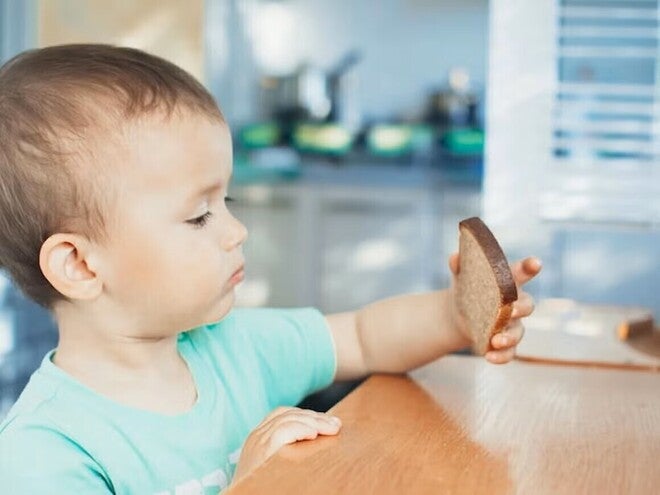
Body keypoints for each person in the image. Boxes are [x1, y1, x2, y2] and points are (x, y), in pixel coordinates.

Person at [0, 44, 541, 494]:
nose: (237, 232)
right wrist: (248, 483)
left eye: (228, 201)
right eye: (198, 216)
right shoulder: (46, 453)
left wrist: (454, 315)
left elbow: (362, 336)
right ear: (79, 265)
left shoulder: (235, 348)